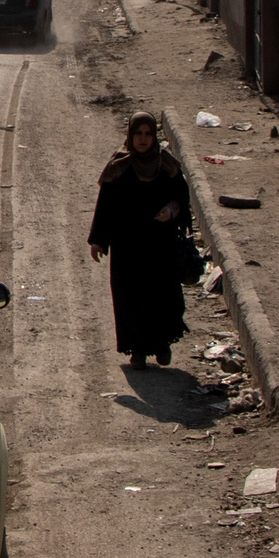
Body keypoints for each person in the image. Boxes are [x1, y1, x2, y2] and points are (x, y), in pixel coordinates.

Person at [87, 110, 191, 368]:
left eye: (148, 134)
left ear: (154, 137)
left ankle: (161, 345)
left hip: (159, 245)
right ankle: (137, 351)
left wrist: (171, 211)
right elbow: (106, 206)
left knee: (162, 295)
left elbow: (182, 198)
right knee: (129, 297)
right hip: (128, 246)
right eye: (138, 134)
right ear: (130, 136)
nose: (143, 139)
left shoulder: (167, 165)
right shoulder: (119, 166)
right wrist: (98, 240)